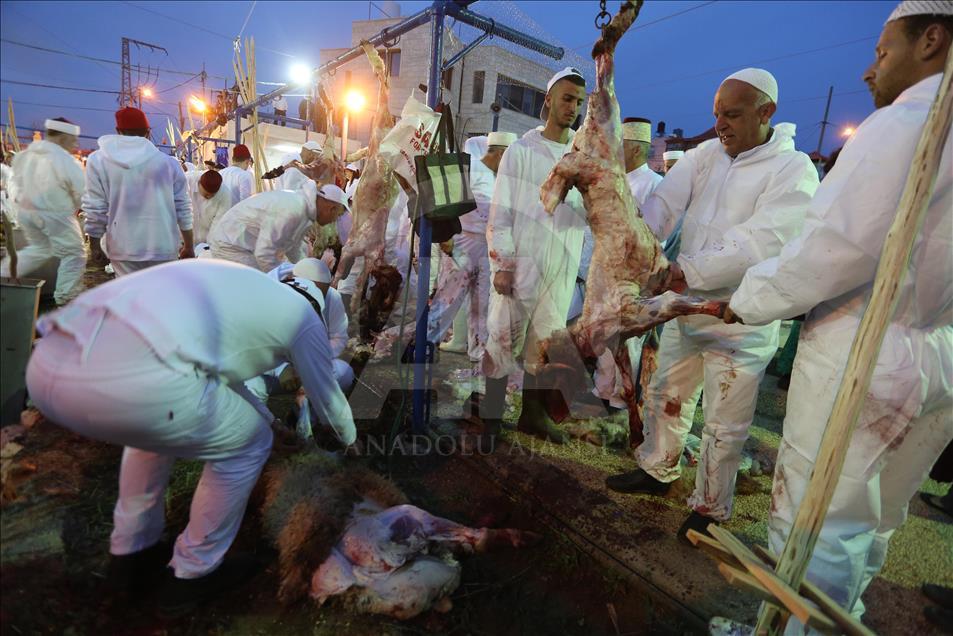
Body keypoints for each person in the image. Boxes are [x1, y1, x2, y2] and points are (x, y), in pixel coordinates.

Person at [725, 2, 952, 625]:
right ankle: (837, 614)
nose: (867, 70)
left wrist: (745, 301)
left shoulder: (907, 123)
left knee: (817, 520)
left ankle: (802, 626)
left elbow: (831, 252)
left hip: (870, 349)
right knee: (873, 519)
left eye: (881, 52)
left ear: (931, 40)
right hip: (938, 357)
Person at [24, 259, 356, 616]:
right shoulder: (302, 317)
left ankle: (132, 554)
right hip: (128, 379)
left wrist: (273, 424)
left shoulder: (242, 284)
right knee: (248, 444)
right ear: (317, 302)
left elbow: (223, 379)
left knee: (153, 433)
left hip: (49, 364)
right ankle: (193, 573)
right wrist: (350, 440)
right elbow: (328, 399)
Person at [604, 68, 819, 543]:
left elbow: (760, 242)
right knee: (666, 394)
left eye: (733, 115)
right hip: (688, 308)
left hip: (741, 320)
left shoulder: (794, 170)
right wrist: (636, 243)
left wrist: (685, 271)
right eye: (717, 114)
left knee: (725, 424)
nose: (721, 124)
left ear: (767, 113)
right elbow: (664, 204)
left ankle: (709, 506)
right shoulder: (706, 155)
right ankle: (659, 469)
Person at [484, 67, 588, 442]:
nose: (573, 107)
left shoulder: (584, 155)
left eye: (578, 101)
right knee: (502, 340)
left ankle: (532, 416)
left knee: (543, 344)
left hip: (561, 265)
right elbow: (502, 210)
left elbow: (592, 211)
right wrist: (502, 264)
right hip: (521, 264)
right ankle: (491, 421)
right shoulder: (522, 150)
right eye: (567, 98)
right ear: (548, 100)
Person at [427, 131, 516, 364]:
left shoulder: (500, 180)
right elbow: (443, 202)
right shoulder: (471, 169)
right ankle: (423, 343)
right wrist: (444, 237)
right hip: (462, 242)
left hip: (487, 248)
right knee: (447, 298)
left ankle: (477, 351)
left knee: (481, 302)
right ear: (500, 153)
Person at [84, 107, 193, 277]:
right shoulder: (168, 164)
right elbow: (183, 207)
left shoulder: (98, 161)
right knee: (159, 298)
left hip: (123, 247)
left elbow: (95, 208)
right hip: (163, 247)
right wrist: (189, 245)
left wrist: (95, 246)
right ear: (148, 133)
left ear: (118, 131)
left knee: (129, 299)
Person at [0, 118, 86, 304]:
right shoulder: (65, 160)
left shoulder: (27, 155)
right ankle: (66, 298)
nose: (75, 144)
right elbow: (79, 192)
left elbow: (14, 185)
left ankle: (3, 275)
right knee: (74, 253)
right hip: (54, 213)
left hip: (25, 211)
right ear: (63, 138)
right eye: (73, 139)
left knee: (41, 249)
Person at [208, 183, 349, 272]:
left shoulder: (305, 211)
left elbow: (294, 249)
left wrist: (307, 270)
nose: (334, 220)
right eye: (337, 215)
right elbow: (264, 254)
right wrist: (289, 276)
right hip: (230, 245)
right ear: (331, 208)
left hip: (242, 245)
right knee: (256, 286)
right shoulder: (294, 210)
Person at [263, 258, 354, 393]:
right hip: (268, 369)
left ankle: (308, 402)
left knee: (344, 373)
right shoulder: (266, 294)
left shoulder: (332, 297)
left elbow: (339, 337)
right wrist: (280, 369)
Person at [189, 170, 233, 244]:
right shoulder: (187, 183)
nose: (209, 197)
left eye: (212, 195)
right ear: (199, 184)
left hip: (206, 239)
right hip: (184, 238)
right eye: (206, 194)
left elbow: (218, 224)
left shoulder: (225, 195)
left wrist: (209, 246)